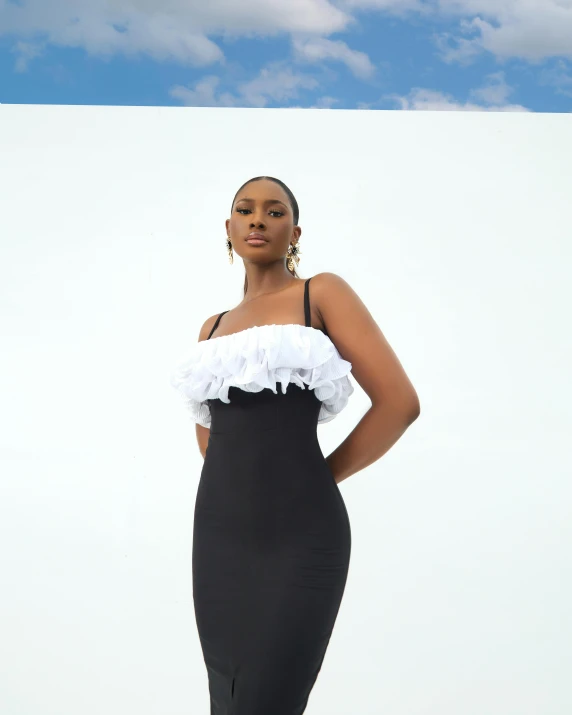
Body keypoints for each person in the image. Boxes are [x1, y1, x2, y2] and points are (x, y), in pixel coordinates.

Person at [171, 176, 420, 714]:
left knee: (269, 701)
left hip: (302, 531)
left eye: (274, 211)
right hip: (218, 537)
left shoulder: (321, 293)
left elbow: (400, 404)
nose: (258, 219)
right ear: (229, 228)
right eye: (245, 209)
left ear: (295, 231)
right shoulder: (211, 329)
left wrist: (315, 480)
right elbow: (211, 433)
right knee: (228, 698)